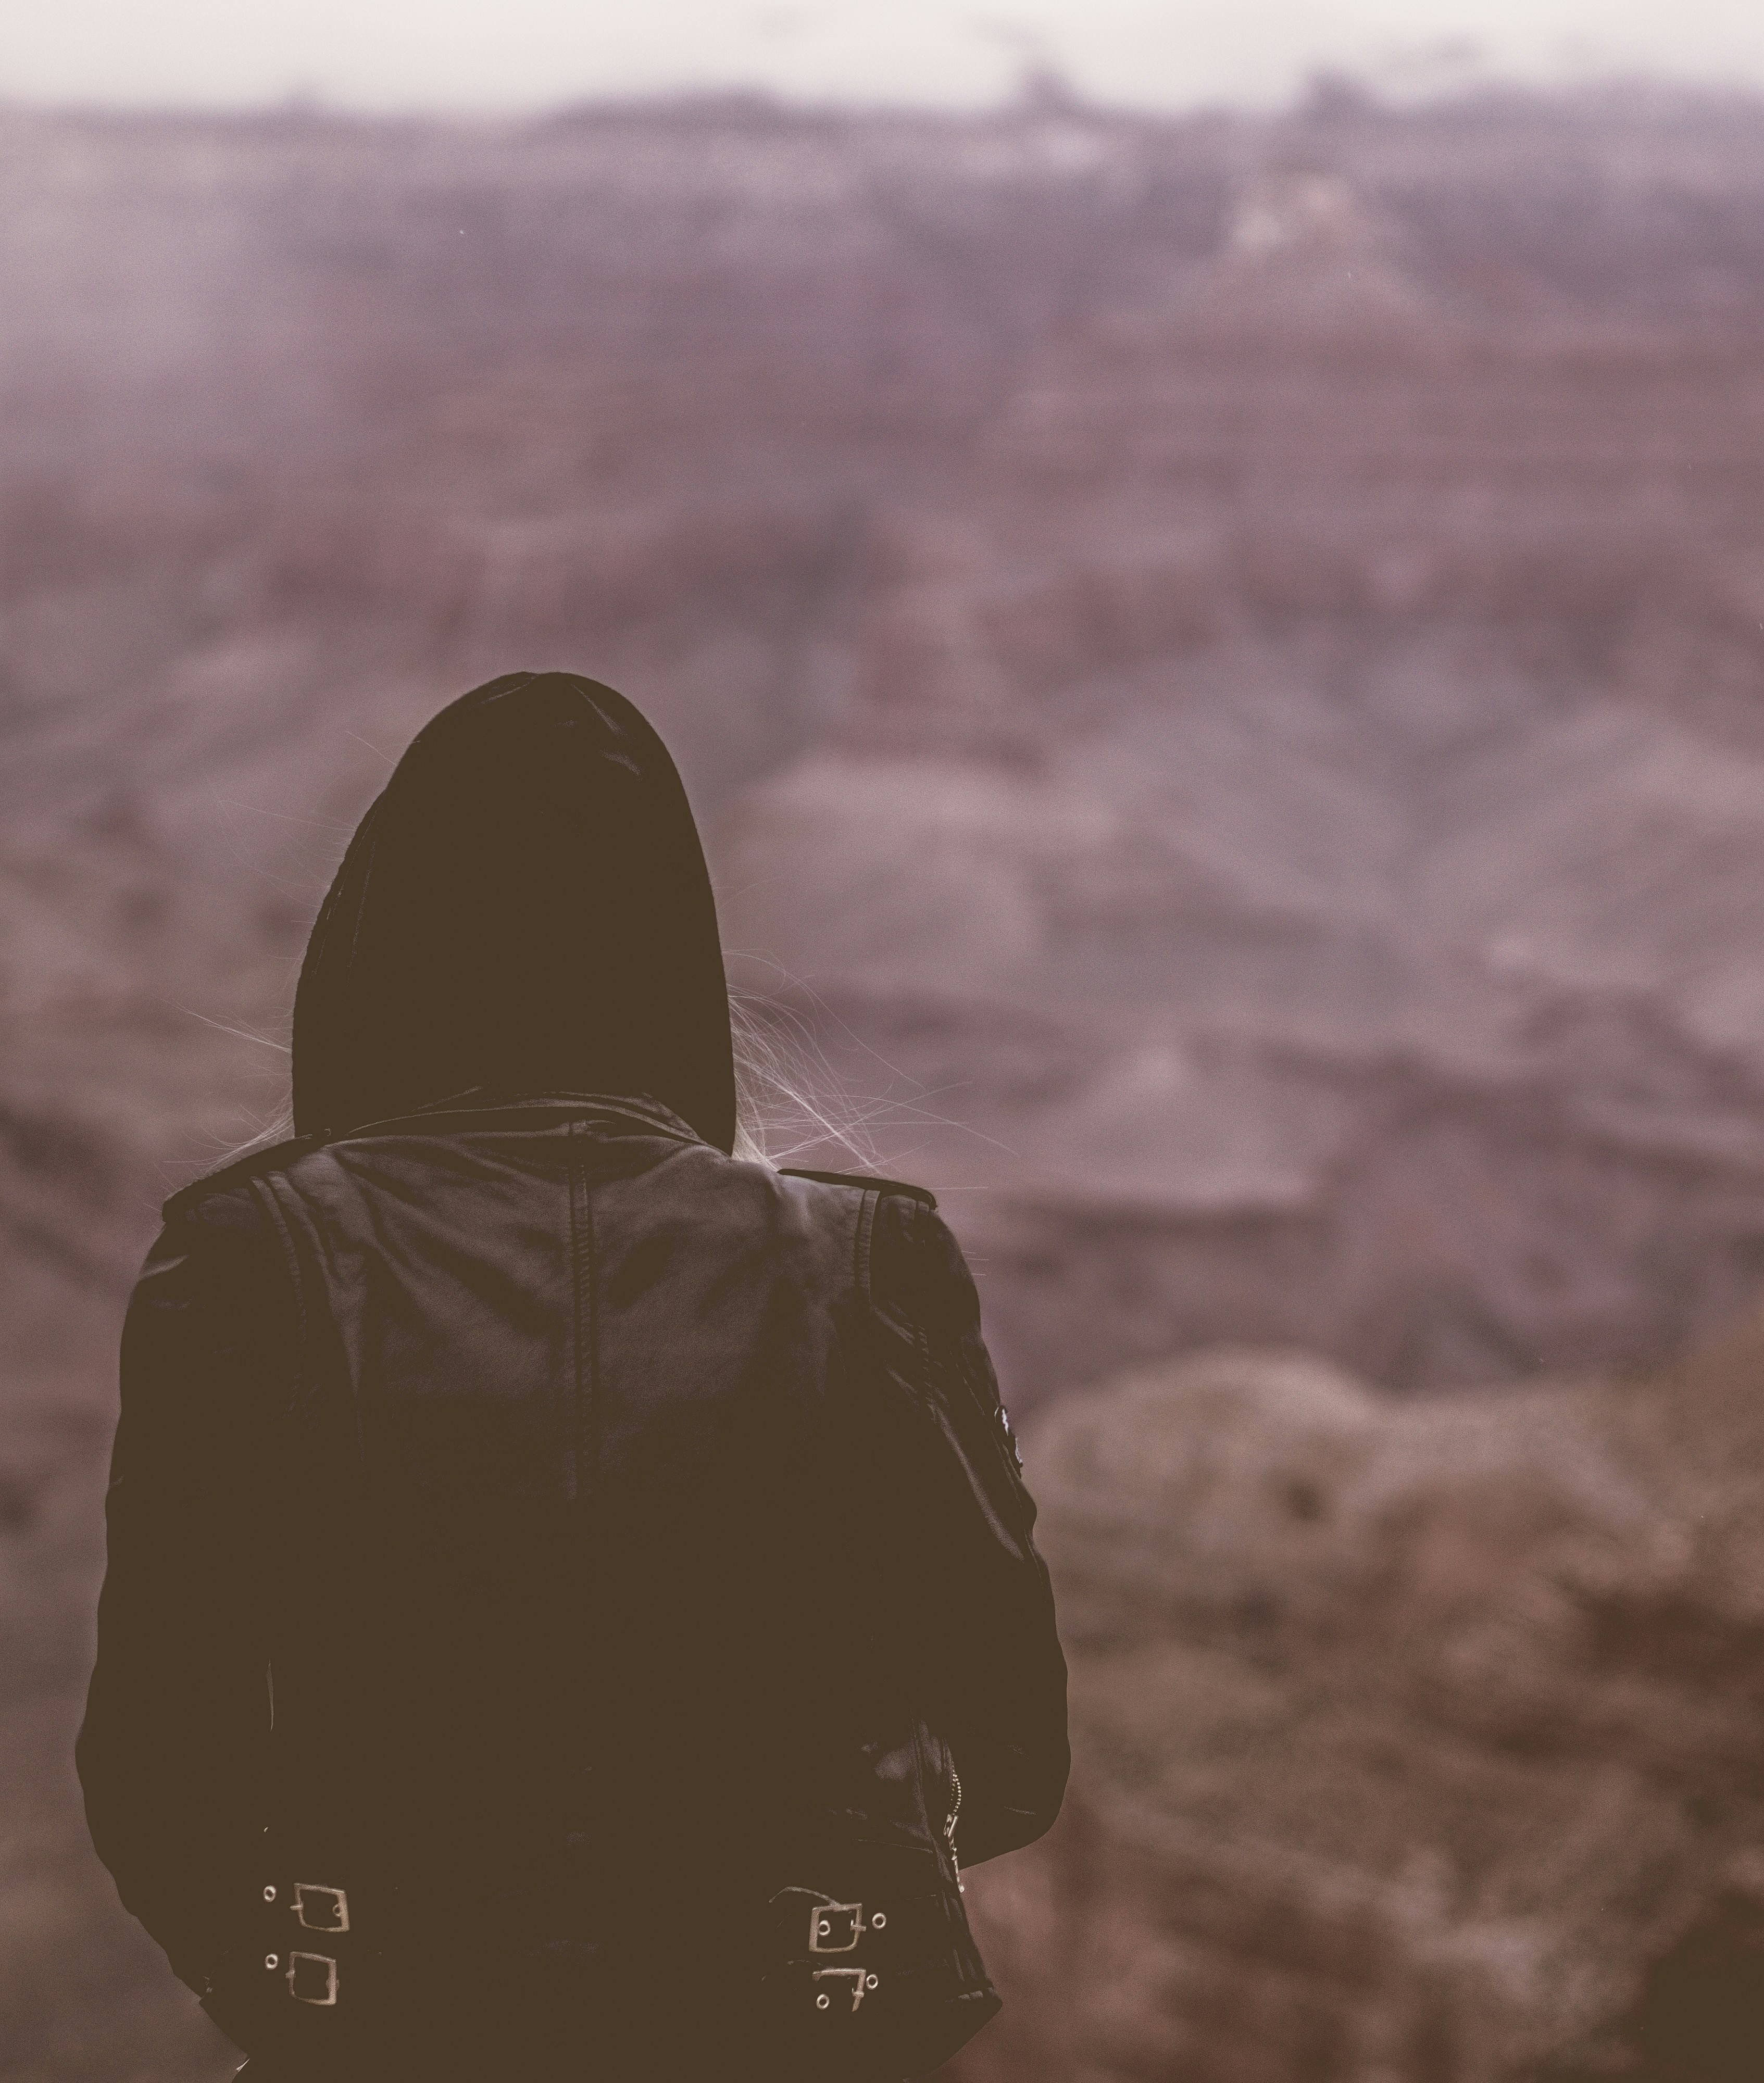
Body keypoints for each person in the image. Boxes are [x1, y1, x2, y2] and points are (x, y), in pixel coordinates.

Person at [76, 672, 1068, 2081]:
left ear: (381, 949)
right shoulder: (873, 1266)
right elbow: (1016, 1747)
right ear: (670, 956)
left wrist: (308, 1998)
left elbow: (158, 1776)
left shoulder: (246, 1257)